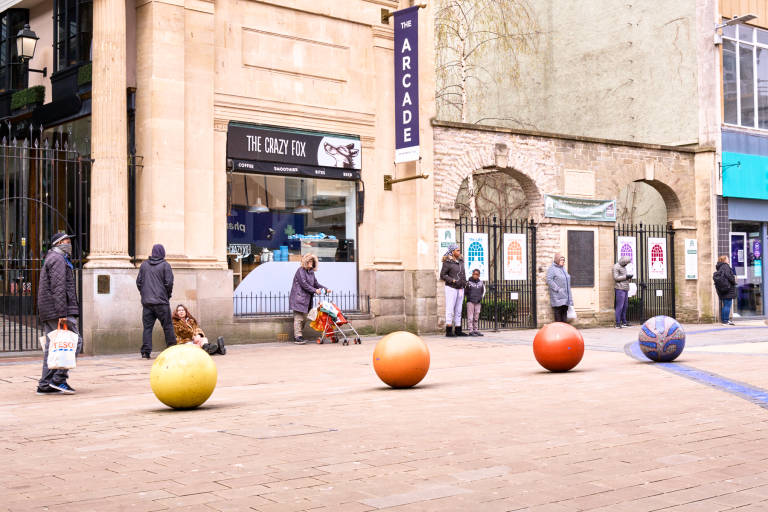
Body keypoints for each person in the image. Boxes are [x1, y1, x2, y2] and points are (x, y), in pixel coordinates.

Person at [36, 231, 82, 395]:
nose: (69, 243)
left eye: (69, 240)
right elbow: (58, 287)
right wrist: (62, 313)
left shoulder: (55, 258)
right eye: (65, 240)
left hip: (51, 309)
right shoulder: (57, 260)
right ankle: (58, 380)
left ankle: (45, 384)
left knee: (53, 347)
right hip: (59, 310)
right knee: (74, 343)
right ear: (57, 243)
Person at [136, 244, 176, 358]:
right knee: (168, 326)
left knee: (147, 328)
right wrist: (167, 295)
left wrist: (144, 294)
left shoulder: (144, 265)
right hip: (161, 302)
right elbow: (169, 283)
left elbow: (138, 282)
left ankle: (145, 351)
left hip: (147, 303)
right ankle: (172, 348)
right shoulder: (165, 265)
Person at [289, 253, 330, 345]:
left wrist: (325, 289)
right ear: (306, 262)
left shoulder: (311, 272)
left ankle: (298, 335)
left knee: (303, 318)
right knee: (299, 318)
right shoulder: (300, 271)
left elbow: (316, 283)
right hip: (298, 298)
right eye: (310, 261)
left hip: (306, 299)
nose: (311, 263)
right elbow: (304, 285)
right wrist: (315, 291)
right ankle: (297, 337)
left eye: (312, 261)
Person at [440, 243, 468, 337]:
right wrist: (452, 280)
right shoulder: (447, 262)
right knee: (450, 309)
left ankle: (458, 329)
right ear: (452, 252)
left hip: (460, 288)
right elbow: (443, 275)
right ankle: (448, 330)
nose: (459, 252)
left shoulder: (461, 261)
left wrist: (464, 282)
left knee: (459, 309)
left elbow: (463, 273)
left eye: (459, 250)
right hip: (451, 287)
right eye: (457, 250)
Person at [545, 253, 573, 323]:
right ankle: (558, 331)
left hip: (565, 295)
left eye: (563, 260)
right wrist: (557, 289)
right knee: (558, 316)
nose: (563, 261)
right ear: (557, 260)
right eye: (561, 260)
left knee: (564, 315)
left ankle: (564, 331)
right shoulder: (552, 269)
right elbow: (549, 280)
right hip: (557, 296)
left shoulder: (563, 269)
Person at [714, 255, 737, 326]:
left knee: (726, 305)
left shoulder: (720, 267)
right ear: (724, 260)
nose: (728, 260)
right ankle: (725, 321)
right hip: (728, 288)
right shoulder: (725, 266)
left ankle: (725, 320)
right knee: (727, 305)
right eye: (727, 258)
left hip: (723, 288)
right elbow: (729, 276)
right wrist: (734, 281)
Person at [612, 256, 633, 328]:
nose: (626, 264)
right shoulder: (616, 267)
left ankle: (624, 321)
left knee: (625, 306)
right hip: (619, 288)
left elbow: (624, 276)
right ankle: (618, 323)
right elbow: (616, 278)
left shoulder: (624, 267)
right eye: (626, 263)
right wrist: (626, 277)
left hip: (625, 288)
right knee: (619, 306)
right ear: (623, 262)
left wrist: (629, 277)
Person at [465, 268, 485, 336]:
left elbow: (483, 291)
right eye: (474, 274)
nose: (475, 275)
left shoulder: (481, 283)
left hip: (478, 301)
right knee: (470, 316)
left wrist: (480, 298)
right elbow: (466, 291)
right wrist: (469, 297)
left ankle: (475, 329)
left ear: (479, 275)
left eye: (477, 274)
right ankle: (471, 330)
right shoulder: (468, 282)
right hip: (470, 301)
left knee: (476, 316)